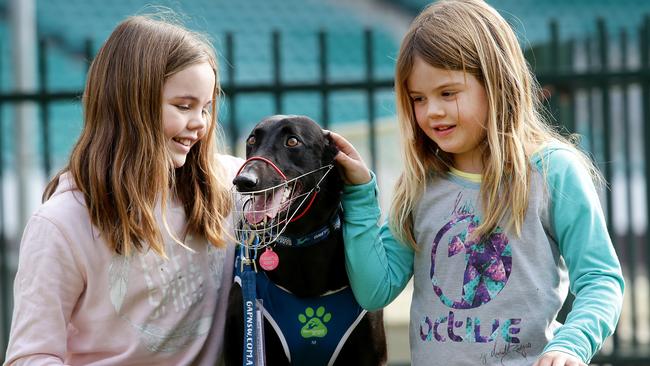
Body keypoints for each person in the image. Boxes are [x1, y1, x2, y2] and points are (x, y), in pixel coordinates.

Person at [330, 0, 624, 365]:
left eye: (448, 93)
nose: (432, 110)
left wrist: (571, 345)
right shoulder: (421, 184)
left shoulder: (553, 172)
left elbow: (601, 279)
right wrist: (359, 194)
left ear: (497, 82)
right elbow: (375, 290)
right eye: (418, 99)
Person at [4, 15, 242, 365]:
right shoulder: (61, 222)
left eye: (206, 108)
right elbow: (31, 356)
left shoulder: (230, 184)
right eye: (183, 106)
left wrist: (356, 190)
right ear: (130, 104)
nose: (200, 124)